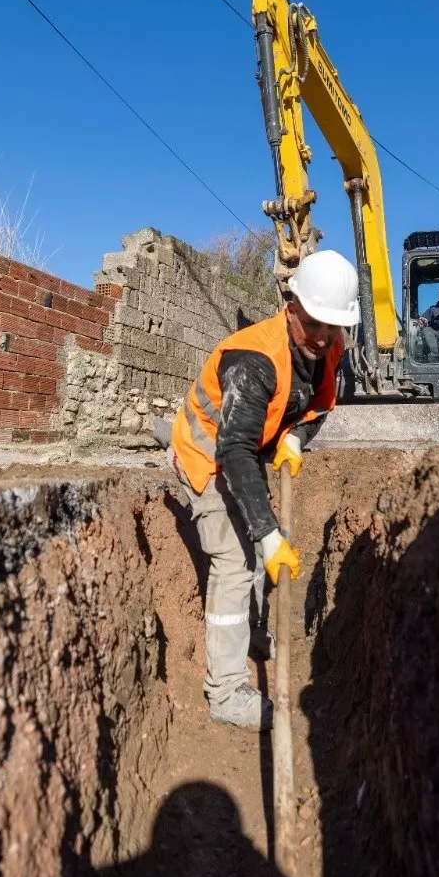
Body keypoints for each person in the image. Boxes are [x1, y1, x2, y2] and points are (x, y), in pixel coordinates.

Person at [169, 249, 356, 729]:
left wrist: (295, 436)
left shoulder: (329, 347)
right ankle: (226, 691)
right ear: (291, 306)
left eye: (331, 328)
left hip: (247, 451)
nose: (320, 337)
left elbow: (322, 405)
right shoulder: (255, 357)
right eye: (313, 323)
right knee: (236, 558)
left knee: (257, 533)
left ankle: (251, 633)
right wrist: (271, 536)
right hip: (207, 454)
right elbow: (232, 450)